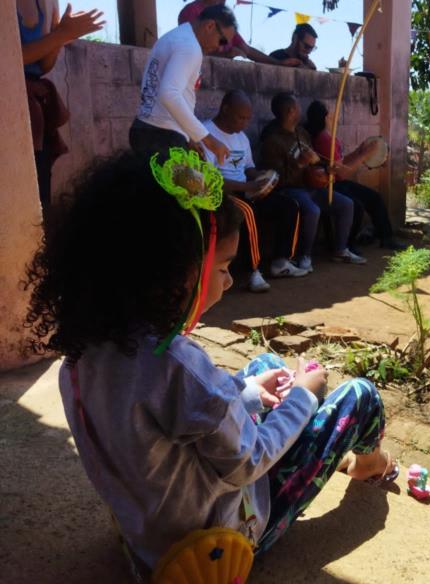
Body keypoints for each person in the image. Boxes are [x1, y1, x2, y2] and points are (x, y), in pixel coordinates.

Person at [24, 151, 397, 574]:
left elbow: (174, 418)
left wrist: (249, 394)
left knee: (263, 366)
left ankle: (268, 393)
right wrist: (305, 397)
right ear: (171, 275)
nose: (229, 280)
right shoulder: (175, 365)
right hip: (217, 542)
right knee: (358, 396)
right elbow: (248, 464)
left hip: (148, 536)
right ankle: (369, 464)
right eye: (221, 267)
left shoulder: (81, 354)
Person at [202, 90, 308, 293]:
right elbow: (210, 181)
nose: (245, 124)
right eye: (241, 117)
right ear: (225, 110)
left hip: (246, 190)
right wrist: (248, 187)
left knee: (289, 206)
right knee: (248, 212)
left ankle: (281, 262)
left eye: (248, 119)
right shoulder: (207, 135)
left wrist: (262, 176)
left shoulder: (241, 137)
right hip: (222, 195)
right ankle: (254, 272)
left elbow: (248, 168)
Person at [16, 0, 104, 210]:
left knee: (41, 186)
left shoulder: (40, 0)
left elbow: (43, 65)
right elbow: (14, 56)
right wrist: (61, 34)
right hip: (12, 103)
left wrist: (59, 38)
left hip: (37, 105)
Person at [259, 93, 365, 272]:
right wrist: (300, 163)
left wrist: (325, 170)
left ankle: (340, 250)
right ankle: (304, 255)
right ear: (291, 111)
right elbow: (277, 179)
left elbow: (316, 162)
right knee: (312, 210)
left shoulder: (302, 133)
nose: (300, 109)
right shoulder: (272, 141)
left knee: (346, 204)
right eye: (297, 107)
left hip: (311, 187)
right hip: (290, 190)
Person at [129, 4, 235, 163]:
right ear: (210, 26)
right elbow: (169, 94)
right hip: (162, 136)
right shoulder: (190, 47)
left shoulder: (175, 36)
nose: (220, 48)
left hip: (146, 129)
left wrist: (188, 135)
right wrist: (209, 140)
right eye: (222, 41)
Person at [305, 100, 404, 252]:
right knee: (356, 205)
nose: (334, 113)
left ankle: (386, 238)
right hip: (331, 185)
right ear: (326, 117)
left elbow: (341, 162)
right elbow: (342, 172)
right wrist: (365, 154)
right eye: (330, 110)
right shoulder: (324, 140)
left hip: (338, 182)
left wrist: (359, 152)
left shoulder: (327, 137)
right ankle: (347, 245)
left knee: (374, 198)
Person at [178, 0, 300, 67]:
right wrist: (226, 55)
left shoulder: (224, 18)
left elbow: (246, 50)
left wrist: (278, 63)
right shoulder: (191, 12)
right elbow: (191, 52)